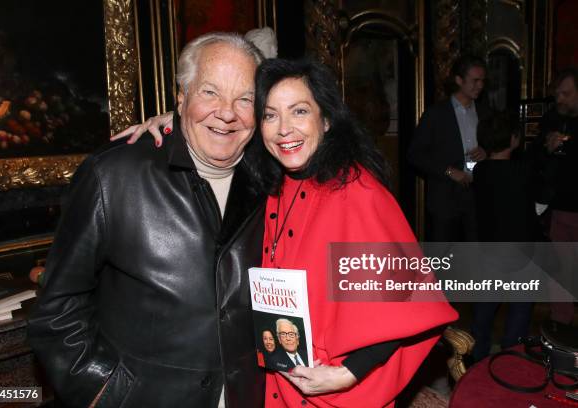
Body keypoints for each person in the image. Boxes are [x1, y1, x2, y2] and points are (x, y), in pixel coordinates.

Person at [121, 58, 457, 407]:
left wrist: (347, 374)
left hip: (334, 394)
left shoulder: (357, 194)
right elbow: (217, 132)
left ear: (325, 120)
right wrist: (174, 122)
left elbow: (409, 303)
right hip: (274, 388)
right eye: (269, 115)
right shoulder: (269, 185)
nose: (284, 129)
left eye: (299, 112)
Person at [27, 33, 266, 408]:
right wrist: (103, 393)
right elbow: (57, 309)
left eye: (245, 98)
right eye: (210, 92)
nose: (227, 111)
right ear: (182, 96)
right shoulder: (113, 175)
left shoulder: (275, 180)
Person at [471, 112, 537, 360]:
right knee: (520, 311)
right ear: (513, 139)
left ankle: (477, 360)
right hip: (522, 250)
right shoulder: (523, 170)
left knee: (484, 312)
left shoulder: (480, 171)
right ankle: (511, 360)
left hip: (489, 250)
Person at [408, 55, 489, 242]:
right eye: (475, 80)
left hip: (477, 196)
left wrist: (486, 152)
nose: (480, 85)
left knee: (475, 253)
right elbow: (415, 154)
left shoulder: (485, 112)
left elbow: (495, 146)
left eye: (483, 80)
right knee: (444, 258)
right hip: (445, 198)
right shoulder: (436, 114)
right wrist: (449, 171)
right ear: (459, 80)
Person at [536, 67, 578, 324]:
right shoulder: (551, 119)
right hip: (559, 209)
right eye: (558, 94)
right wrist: (547, 148)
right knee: (559, 273)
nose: (560, 99)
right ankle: (560, 328)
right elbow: (534, 161)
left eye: (567, 94)